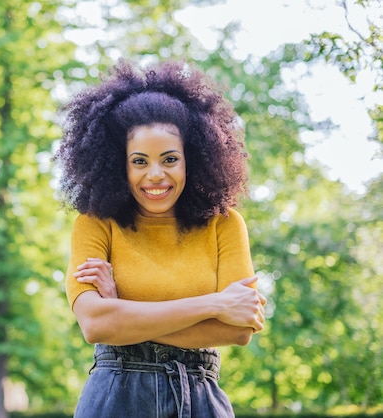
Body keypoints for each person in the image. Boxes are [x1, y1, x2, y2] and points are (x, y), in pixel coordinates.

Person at [54, 60, 267, 418]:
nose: (155, 175)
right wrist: (215, 304)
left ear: (192, 160)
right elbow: (95, 325)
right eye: (139, 161)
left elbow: (239, 330)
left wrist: (125, 312)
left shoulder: (225, 225)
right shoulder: (95, 224)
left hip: (201, 399)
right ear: (119, 164)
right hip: (115, 398)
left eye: (170, 159)